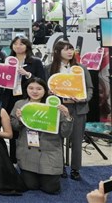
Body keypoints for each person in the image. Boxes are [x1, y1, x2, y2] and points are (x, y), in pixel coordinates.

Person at [10, 78, 73, 194]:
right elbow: (14, 127)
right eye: (31, 88)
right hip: (28, 151)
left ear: (45, 90)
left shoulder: (54, 105)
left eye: (39, 88)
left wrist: (67, 117)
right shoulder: (20, 104)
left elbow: (65, 133)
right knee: (30, 185)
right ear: (26, 89)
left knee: (51, 189)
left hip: (49, 151)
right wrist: (19, 120)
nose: (34, 91)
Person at [45, 40, 93, 180]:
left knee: (77, 141)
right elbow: (44, 88)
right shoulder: (49, 69)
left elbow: (90, 88)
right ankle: (60, 167)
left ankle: (75, 169)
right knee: (57, 139)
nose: (70, 52)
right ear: (57, 52)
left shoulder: (81, 68)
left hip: (79, 108)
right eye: (66, 49)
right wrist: (49, 93)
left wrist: (83, 98)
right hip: (58, 107)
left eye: (71, 49)